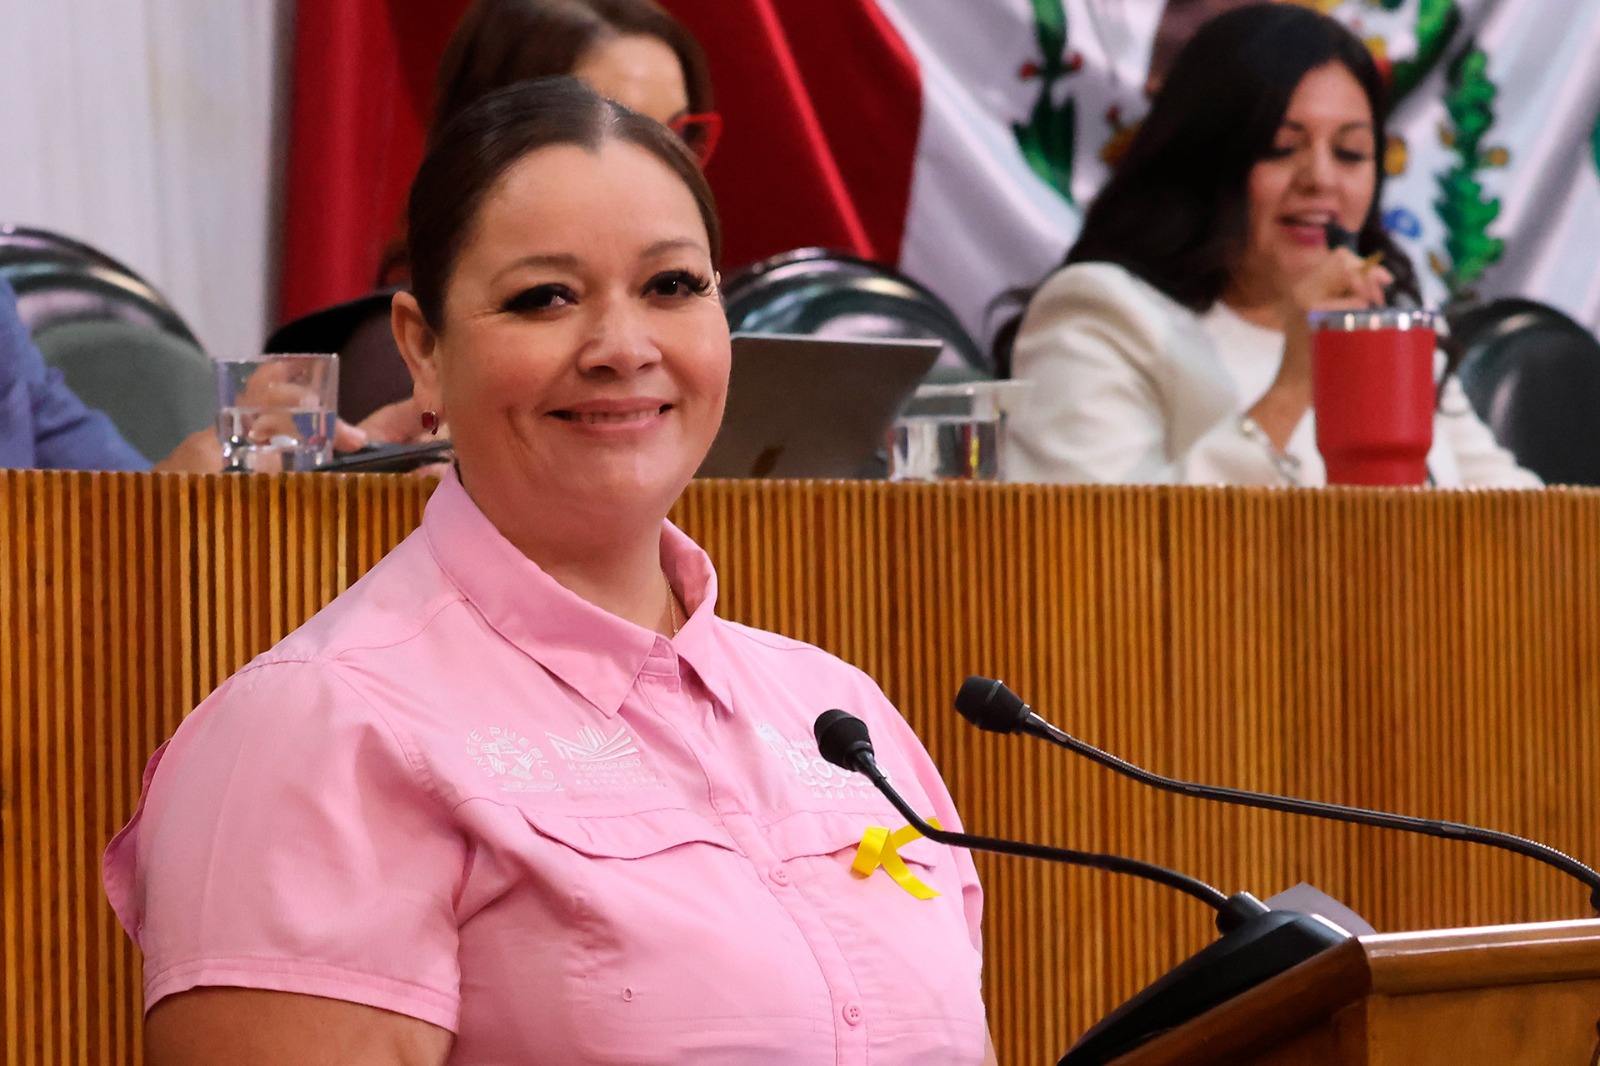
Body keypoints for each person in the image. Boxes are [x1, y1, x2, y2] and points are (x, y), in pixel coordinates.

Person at [105, 79, 993, 1064]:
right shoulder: (316, 732)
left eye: (672, 286)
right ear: (423, 350)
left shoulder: (842, 712)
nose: (623, 348)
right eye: (545, 298)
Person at [1002, 3, 1539, 488]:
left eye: (1351, 153)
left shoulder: (1384, 320)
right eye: (1282, 148)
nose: (1321, 180)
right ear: (1205, 159)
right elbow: (1098, 548)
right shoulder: (1101, 313)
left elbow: (1517, 517)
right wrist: (1295, 382)